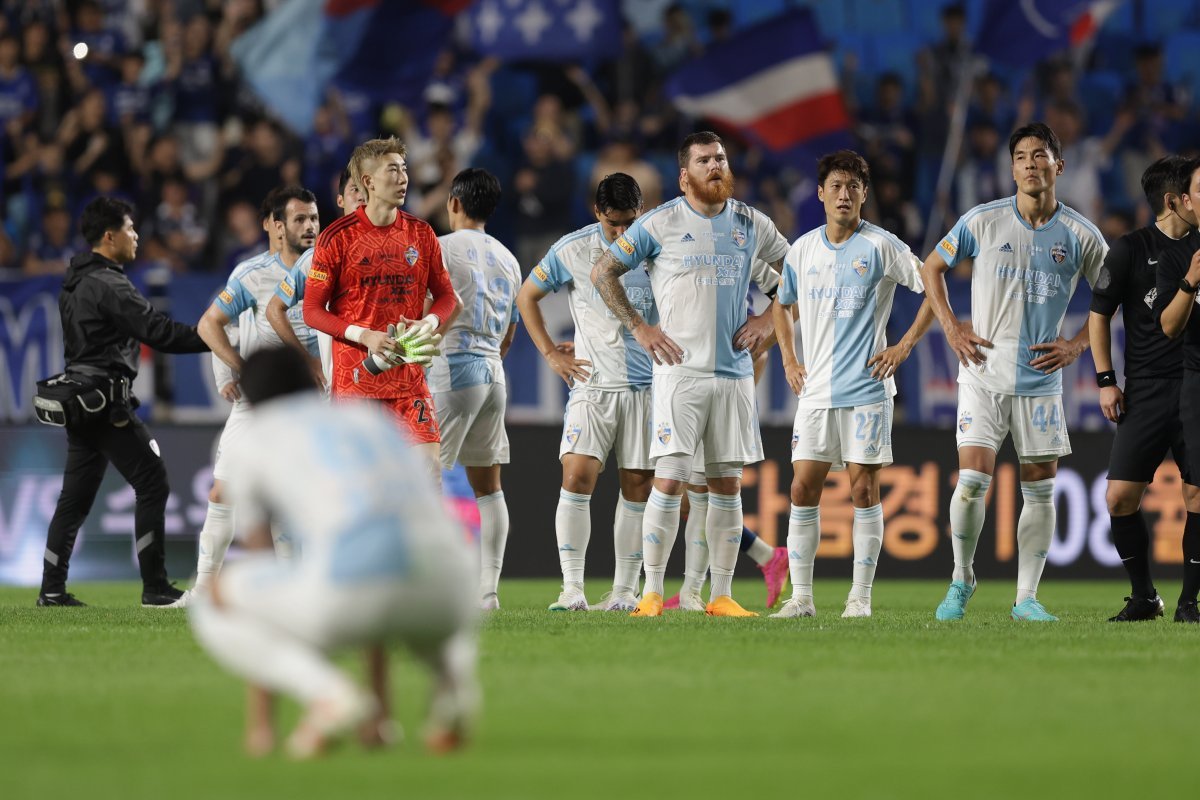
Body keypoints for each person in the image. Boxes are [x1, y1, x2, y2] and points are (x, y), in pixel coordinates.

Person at [188, 346, 478, 759]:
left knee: (219, 599)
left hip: (358, 582)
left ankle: (329, 695)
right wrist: (380, 717)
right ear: (311, 380)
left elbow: (261, 560)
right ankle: (451, 688)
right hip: (453, 588)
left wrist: (262, 727)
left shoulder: (255, 438)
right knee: (407, 575)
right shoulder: (370, 420)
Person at [591, 131, 789, 618]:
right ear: (684, 176)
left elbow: (801, 274)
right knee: (671, 480)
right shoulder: (660, 223)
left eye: (721, 158)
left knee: (725, 484)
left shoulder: (751, 223)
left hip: (735, 374)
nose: (716, 166)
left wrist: (767, 321)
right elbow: (602, 272)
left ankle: (720, 595)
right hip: (680, 373)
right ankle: (653, 592)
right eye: (705, 160)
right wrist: (639, 327)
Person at [921, 122, 1108, 622]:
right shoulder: (982, 221)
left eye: (1040, 155)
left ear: (1058, 166)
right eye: (1021, 156)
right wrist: (952, 329)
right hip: (982, 370)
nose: (1030, 163)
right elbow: (930, 268)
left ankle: (1026, 598)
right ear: (1011, 168)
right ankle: (961, 579)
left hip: (1041, 378)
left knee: (1040, 486)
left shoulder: (1081, 235)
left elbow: (1116, 298)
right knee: (970, 483)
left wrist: (1074, 346)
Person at [770, 150, 933, 619]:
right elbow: (782, 304)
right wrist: (788, 358)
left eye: (854, 187)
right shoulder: (801, 249)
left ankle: (859, 598)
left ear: (865, 194)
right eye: (836, 186)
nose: (844, 195)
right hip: (816, 391)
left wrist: (902, 347)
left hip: (866, 390)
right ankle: (801, 598)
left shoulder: (883, 246)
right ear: (820, 193)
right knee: (803, 489)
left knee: (864, 491)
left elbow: (930, 288)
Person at [38, 197, 210, 607]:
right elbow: (158, 331)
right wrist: (215, 338)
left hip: (80, 402)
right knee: (153, 481)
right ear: (110, 236)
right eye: (131, 229)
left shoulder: (75, 281)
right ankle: (155, 587)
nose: (137, 236)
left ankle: (52, 588)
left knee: (74, 499)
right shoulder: (109, 283)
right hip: (106, 405)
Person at [517, 172, 656, 613]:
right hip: (593, 386)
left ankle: (623, 592)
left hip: (649, 387)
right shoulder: (573, 249)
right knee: (576, 478)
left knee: (637, 488)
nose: (623, 232)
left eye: (630, 221)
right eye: (614, 223)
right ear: (598, 213)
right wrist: (550, 354)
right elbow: (527, 297)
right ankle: (572, 589)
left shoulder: (658, 246)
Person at [303, 137, 461, 479]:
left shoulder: (422, 234)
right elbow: (312, 310)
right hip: (358, 383)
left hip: (409, 382)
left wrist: (429, 323)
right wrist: (366, 336)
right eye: (393, 170)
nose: (403, 177)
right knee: (362, 489)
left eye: (404, 169)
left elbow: (448, 298)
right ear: (369, 182)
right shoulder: (337, 238)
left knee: (429, 475)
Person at [191, 186, 320, 595]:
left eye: (315, 218)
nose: (311, 226)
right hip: (260, 402)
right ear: (277, 227)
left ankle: (293, 591)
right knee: (222, 489)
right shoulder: (252, 274)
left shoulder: (329, 265)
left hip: (313, 399)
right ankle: (203, 589)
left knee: (294, 499)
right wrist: (240, 371)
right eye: (301, 219)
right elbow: (211, 324)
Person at [1090, 156, 1200, 622]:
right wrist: (1106, 380)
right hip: (1149, 387)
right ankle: (1144, 596)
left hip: (1195, 382)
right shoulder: (1130, 249)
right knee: (1119, 497)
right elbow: (1099, 315)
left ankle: (1189, 603)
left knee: (1196, 496)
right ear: (1175, 200)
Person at [429, 168, 521, 610]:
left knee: (424, 478)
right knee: (489, 486)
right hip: (492, 375)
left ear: (454, 204)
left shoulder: (438, 248)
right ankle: (488, 593)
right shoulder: (509, 257)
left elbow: (426, 312)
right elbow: (510, 335)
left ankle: (428, 585)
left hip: (450, 370)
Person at [1152, 156, 1200, 624]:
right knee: (1197, 495)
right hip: (1195, 383)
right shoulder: (1178, 259)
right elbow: (1167, 326)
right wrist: (1191, 281)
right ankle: (1189, 602)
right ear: (1184, 201)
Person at [266, 168, 365, 389]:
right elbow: (274, 309)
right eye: (355, 189)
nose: (361, 196)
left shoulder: (395, 248)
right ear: (340, 200)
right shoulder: (320, 254)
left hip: (390, 379)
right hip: (342, 383)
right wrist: (307, 360)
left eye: (367, 189)